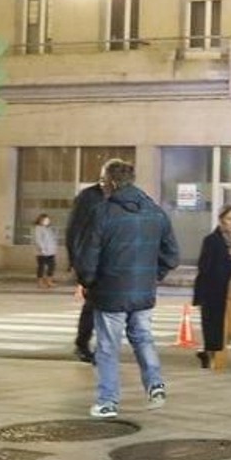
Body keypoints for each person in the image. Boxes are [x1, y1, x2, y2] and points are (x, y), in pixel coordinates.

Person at [73, 159, 179, 418]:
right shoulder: (156, 212)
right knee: (143, 338)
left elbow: (88, 257)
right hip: (143, 292)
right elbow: (172, 255)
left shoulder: (102, 213)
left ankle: (108, 401)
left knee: (108, 347)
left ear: (109, 182)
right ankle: (155, 385)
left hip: (110, 292)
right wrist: (153, 276)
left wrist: (87, 282)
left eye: (102, 181)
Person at [191, 205, 231, 371]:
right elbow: (204, 268)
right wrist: (200, 296)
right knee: (220, 330)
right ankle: (218, 369)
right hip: (216, 292)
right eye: (230, 218)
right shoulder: (212, 240)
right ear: (222, 219)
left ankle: (207, 353)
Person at [66, 169, 108, 363]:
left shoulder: (121, 197)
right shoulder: (89, 197)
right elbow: (75, 231)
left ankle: (103, 348)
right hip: (93, 261)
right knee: (93, 306)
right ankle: (83, 344)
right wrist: (77, 264)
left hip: (113, 259)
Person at [33, 213, 58, 289]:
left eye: (47, 219)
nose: (47, 221)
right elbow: (38, 240)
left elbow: (52, 239)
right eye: (44, 220)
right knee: (41, 267)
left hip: (51, 251)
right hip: (42, 252)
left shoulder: (48, 228)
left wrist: (54, 249)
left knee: (52, 266)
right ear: (40, 220)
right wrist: (43, 249)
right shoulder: (38, 228)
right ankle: (39, 283)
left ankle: (49, 281)